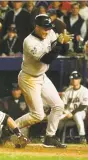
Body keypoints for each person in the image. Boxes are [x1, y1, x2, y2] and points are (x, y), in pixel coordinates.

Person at [13, 14, 73, 148]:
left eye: (48, 28)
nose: (47, 31)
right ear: (37, 27)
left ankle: (50, 137)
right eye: (44, 28)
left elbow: (63, 50)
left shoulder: (50, 32)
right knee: (37, 115)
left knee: (58, 106)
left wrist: (65, 43)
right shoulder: (29, 41)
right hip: (28, 78)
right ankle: (11, 127)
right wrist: (59, 43)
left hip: (42, 76)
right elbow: (46, 59)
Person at [58, 71, 88, 144]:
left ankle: (82, 136)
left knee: (77, 115)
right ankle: (56, 137)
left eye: (76, 79)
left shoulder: (85, 90)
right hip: (68, 112)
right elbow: (63, 104)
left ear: (79, 80)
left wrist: (72, 113)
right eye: (72, 79)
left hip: (80, 112)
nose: (74, 80)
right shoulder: (67, 91)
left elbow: (83, 105)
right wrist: (65, 112)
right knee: (56, 117)